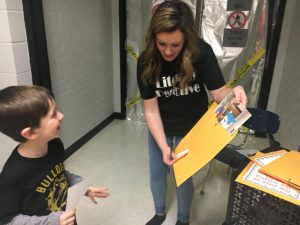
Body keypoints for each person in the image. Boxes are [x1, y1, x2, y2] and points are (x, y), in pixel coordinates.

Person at [136, 1, 247, 225]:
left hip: (194, 130)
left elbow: (219, 94)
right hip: (162, 128)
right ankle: (159, 212)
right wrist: (165, 146)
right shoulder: (146, 61)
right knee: (158, 175)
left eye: (175, 45)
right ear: (154, 38)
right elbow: (151, 111)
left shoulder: (201, 52)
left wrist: (234, 93)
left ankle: (183, 219)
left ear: (186, 38)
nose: (168, 51)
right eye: (162, 43)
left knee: (183, 177)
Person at [0, 85, 110, 225]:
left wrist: (83, 186)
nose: (61, 116)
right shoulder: (12, 176)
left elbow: (58, 175)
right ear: (31, 133)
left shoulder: (54, 145)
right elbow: (6, 220)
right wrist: (54, 221)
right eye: (53, 115)